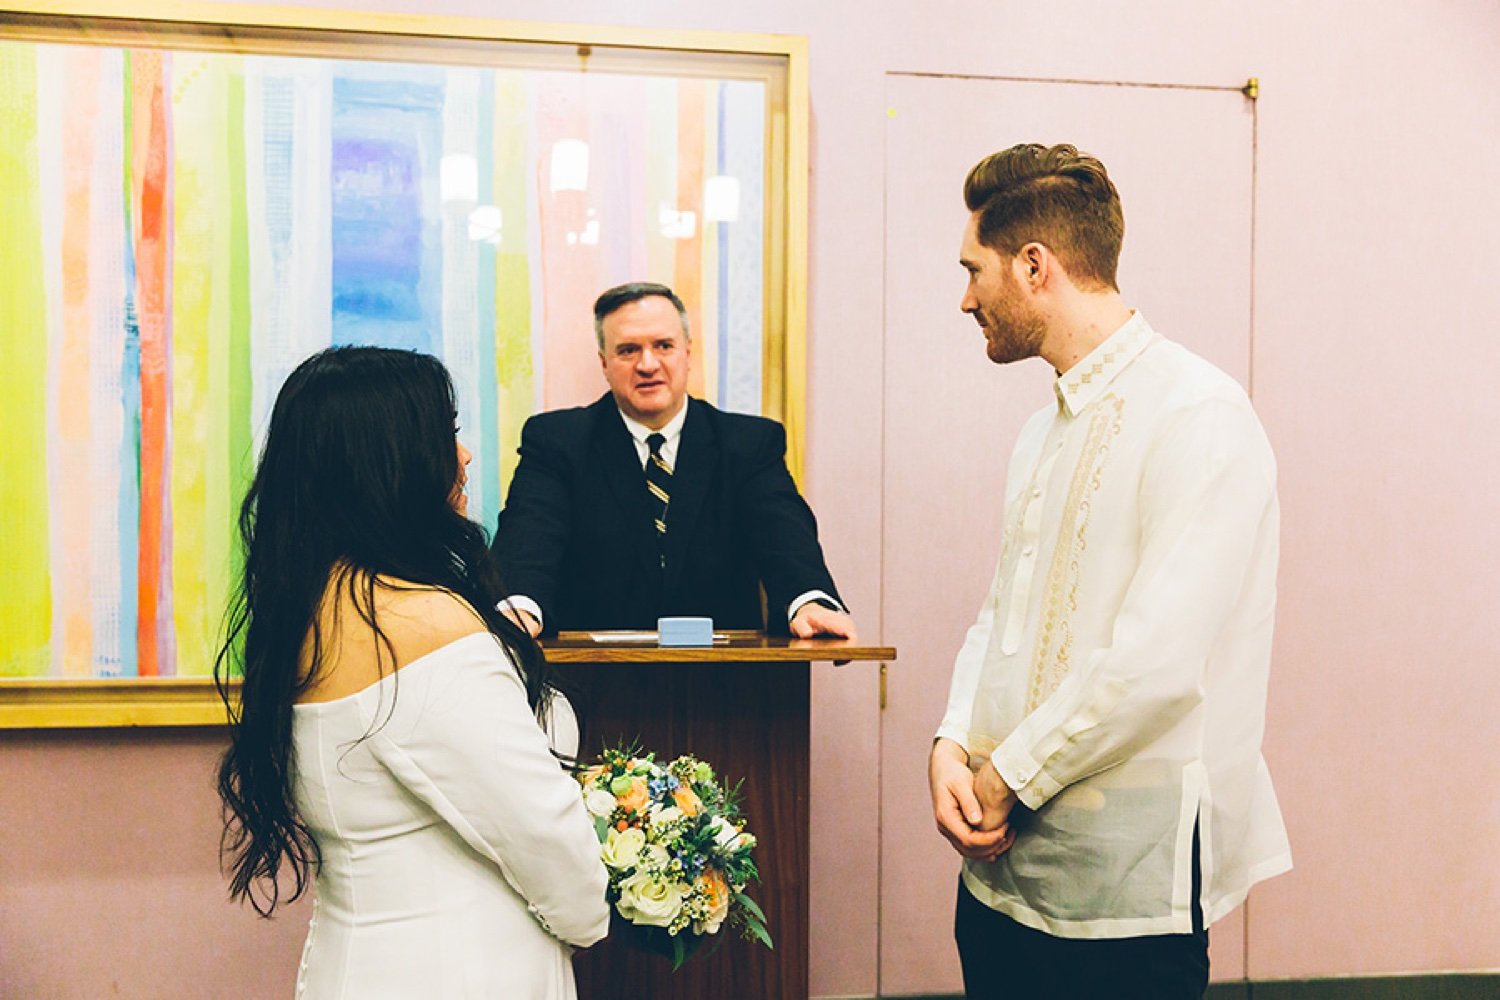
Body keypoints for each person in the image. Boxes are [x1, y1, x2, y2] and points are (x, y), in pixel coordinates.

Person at [928, 144, 1291, 999]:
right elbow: (998, 613)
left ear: (1034, 265)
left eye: (973, 270)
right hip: (997, 883)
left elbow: (1158, 665)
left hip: (1126, 898)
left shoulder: (1199, 414)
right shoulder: (1040, 429)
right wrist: (948, 742)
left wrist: (1006, 774)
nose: (965, 298)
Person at [214, 346, 610, 999]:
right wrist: (591, 917)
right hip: (465, 969)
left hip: (356, 962)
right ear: (390, 460)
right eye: (447, 433)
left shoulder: (308, 609)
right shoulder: (423, 628)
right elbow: (543, 836)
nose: (464, 455)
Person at [492, 281, 855, 640]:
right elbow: (530, 536)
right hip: (588, 681)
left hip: (728, 683)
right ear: (604, 363)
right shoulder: (557, 442)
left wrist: (808, 601)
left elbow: (784, 537)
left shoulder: (748, 445)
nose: (648, 364)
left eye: (663, 346)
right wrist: (520, 607)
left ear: (688, 353)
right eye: (628, 350)